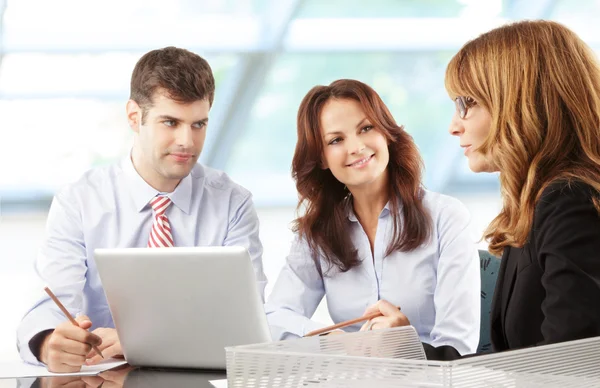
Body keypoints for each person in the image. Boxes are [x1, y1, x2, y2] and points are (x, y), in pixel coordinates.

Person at [16, 47, 267, 371]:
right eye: (170, 122)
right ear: (135, 116)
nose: (187, 141)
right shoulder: (79, 201)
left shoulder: (232, 203)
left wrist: (148, 342)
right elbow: (48, 305)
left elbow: (246, 320)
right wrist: (50, 342)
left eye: (198, 124)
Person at [265, 79, 480, 359]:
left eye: (366, 128)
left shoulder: (446, 217)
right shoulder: (316, 232)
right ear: (321, 159)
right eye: (336, 140)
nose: (356, 147)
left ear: (387, 133)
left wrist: (408, 345)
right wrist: (333, 340)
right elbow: (276, 316)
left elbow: (459, 346)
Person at [444, 20, 600, 357]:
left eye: (467, 103)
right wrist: (411, 352)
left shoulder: (569, 201)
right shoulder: (539, 201)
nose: (454, 126)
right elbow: (521, 362)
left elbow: (566, 365)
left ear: (518, 101)